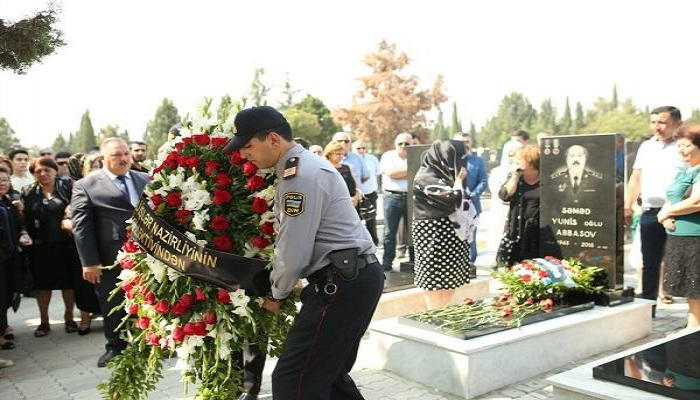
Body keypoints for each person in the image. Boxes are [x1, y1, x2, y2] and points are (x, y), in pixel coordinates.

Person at [224, 105, 383, 399]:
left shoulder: (299, 175)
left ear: (273, 139)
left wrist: (276, 294)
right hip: (354, 276)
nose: (243, 154)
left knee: (292, 381)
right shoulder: (303, 167)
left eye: (247, 146)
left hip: (342, 281)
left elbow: (293, 249)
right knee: (327, 375)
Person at [71, 138, 149, 367]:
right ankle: (115, 346)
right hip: (110, 258)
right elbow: (81, 227)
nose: (124, 158)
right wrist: (89, 262)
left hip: (147, 254)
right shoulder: (86, 185)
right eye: (116, 155)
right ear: (103, 158)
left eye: (126, 153)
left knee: (149, 298)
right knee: (112, 302)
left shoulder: (145, 178)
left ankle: (153, 343)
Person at [21, 158, 91, 338]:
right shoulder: (28, 192)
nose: (43, 174)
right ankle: (44, 322)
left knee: (68, 284)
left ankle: (69, 317)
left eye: (47, 170)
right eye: (38, 171)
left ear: (55, 170)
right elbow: (23, 218)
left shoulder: (68, 187)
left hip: (66, 246)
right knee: (43, 286)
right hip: (40, 247)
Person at [625, 106, 687, 308]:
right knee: (649, 263)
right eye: (653, 122)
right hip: (650, 212)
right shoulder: (647, 147)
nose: (657, 127)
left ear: (677, 124)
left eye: (662, 122)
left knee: (681, 262)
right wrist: (627, 205)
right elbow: (636, 178)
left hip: (680, 213)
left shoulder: (686, 147)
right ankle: (648, 308)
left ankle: (692, 314)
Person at [413, 140, 471, 309]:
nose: (459, 163)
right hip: (433, 232)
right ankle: (434, 314)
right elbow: (453, 199)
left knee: (450, 278)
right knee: (434, 279)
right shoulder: (425, 176)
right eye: (455, 158)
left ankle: (443, 311)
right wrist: (459, 181)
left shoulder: (447, 175)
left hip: (451, 232)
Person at [657, 125, 700, 329]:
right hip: (678, 238)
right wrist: (664, 216)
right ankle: (692, 328)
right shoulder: (684, 172)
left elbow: (696, 202)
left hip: (695, 239)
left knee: (696, 291)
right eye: (679, 145)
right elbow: (670, 200)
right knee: (689, 291)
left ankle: (693, 331)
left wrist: (667, 212)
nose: (682, 149)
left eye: (687, 145)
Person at [497, 145, 542, 266]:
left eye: (520, 161)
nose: (516, 163)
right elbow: (504, 196)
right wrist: (515, 177)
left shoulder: (546, 179)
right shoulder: (515, 177)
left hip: (540, 228)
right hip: (518, 227)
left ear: (532, 162)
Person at [380, 132, 413, 272]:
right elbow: (391, 173)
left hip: (411, 197)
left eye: (407, 143)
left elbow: (419, 173)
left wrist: (401, 173)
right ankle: (387, 263)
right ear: (395, 144)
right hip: (392, 197)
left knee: (413, 232)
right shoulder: (388, 156)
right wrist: (409, 171)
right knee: (389, 232)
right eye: (400, 143)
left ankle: (414, 261)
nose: (403, 146)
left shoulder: (416, 156)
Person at [456, 133, 488, 268]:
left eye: (467, 141)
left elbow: (483, 181)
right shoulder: (448, 161)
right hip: (453, 204)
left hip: (472, 205)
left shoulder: (477, 161)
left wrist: (472, 195)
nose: (464, 144)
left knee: (471, 236)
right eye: (461, 142)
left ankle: (470, 263)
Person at [353, 139, 381, 245]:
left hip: (370, 194)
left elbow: (377, 173)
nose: (361, 150)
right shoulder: (350, 159)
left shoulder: (372, 159)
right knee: (356, 220)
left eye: (363, 148)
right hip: (355, 195)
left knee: (371, 219)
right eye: (358, 148)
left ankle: (374, 242)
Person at [324, 141, 360, 208]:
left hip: (353, 204)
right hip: (337, 206)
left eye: (342, 154)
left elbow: (355, 186)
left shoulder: (346, 167)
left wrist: (356, 197)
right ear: (329, 154)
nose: (341, 156)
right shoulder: (326, 169)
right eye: (338, 154)